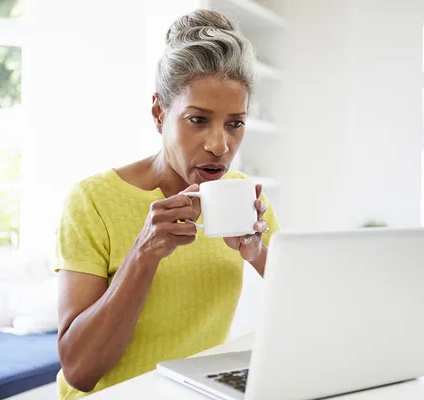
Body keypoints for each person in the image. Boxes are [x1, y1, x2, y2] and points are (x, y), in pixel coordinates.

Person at [55, 9, 280, 399]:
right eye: (198, 120)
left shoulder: (246, 201)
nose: (219, 145)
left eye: (235, 123)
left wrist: (258, 253)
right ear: (160, 113)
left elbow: (313, 315)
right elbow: (79, 371)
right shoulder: (92, 201)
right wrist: (144, 254)